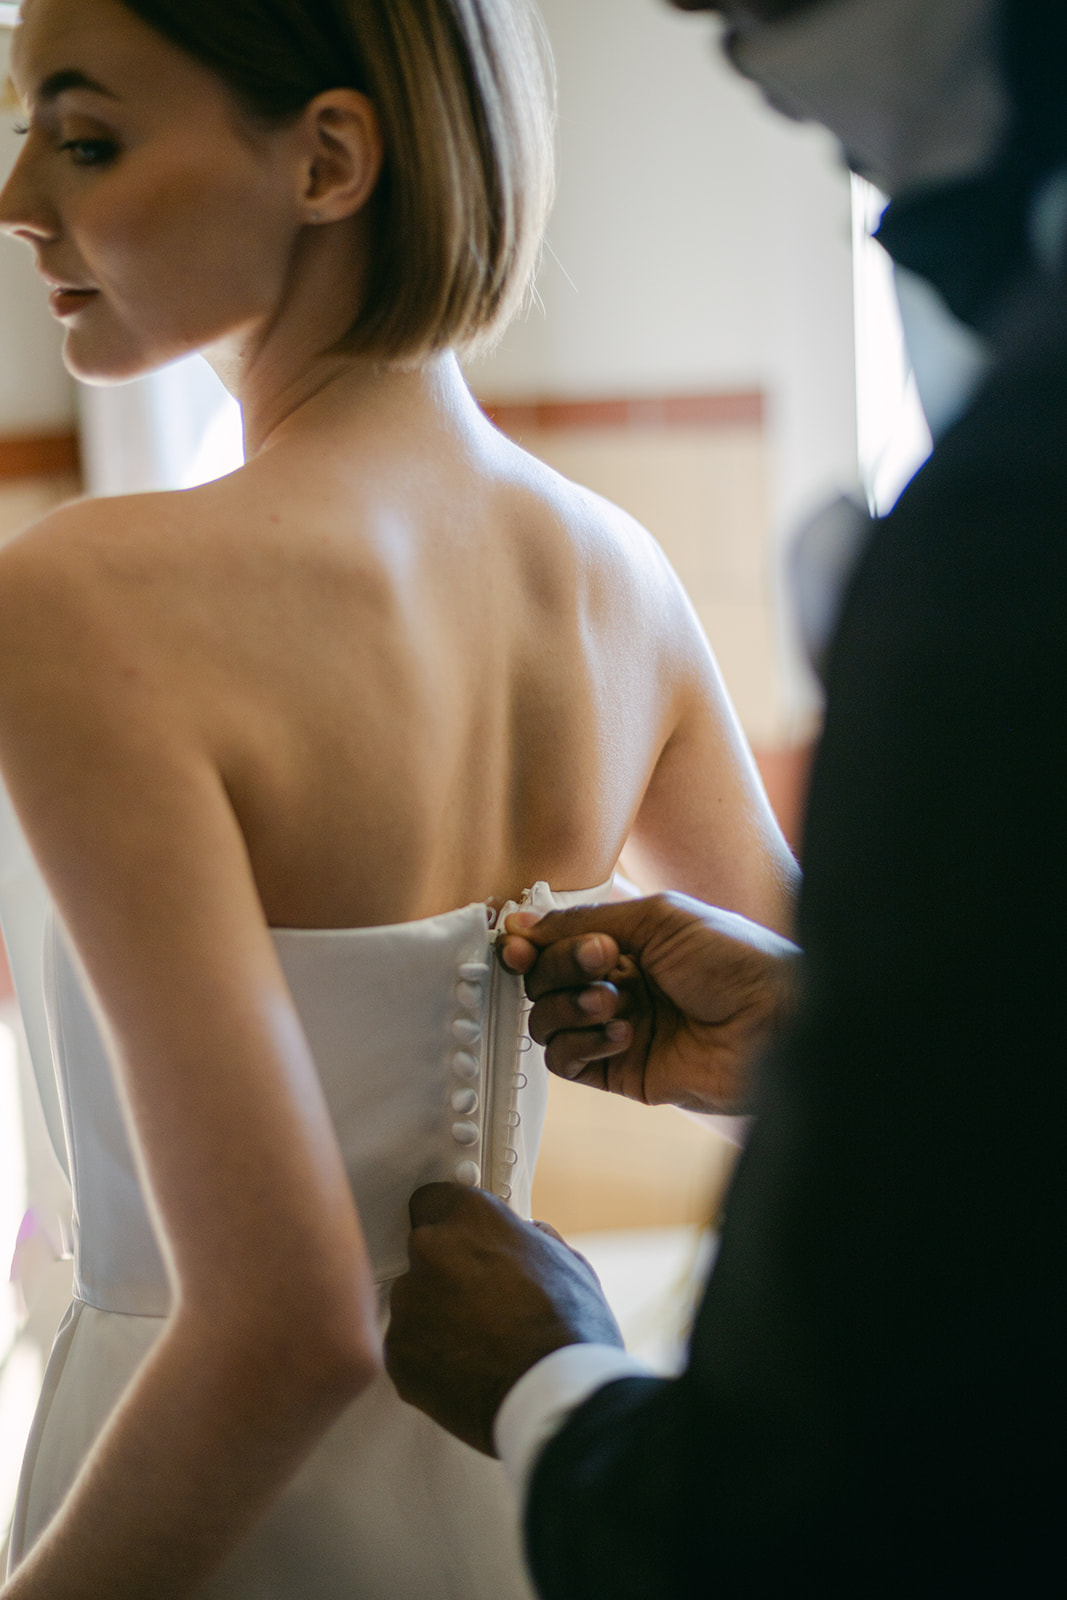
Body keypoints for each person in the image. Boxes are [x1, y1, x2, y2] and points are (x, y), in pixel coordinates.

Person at [0, 0, 798, 1595]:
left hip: (203, 1502)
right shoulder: (616, 575)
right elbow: (864, 1072)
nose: (18, 198)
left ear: (331, 158)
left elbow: (281, 1327)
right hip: (512, 1464)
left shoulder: (87, 597)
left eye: (86, 138)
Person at [384, 0, 1067, 1592]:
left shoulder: (1008, 538)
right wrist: (817, 1027)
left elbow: (837, 1514)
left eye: (768, 2)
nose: (738, 60)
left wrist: (554, 1381)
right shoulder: (619, 559)